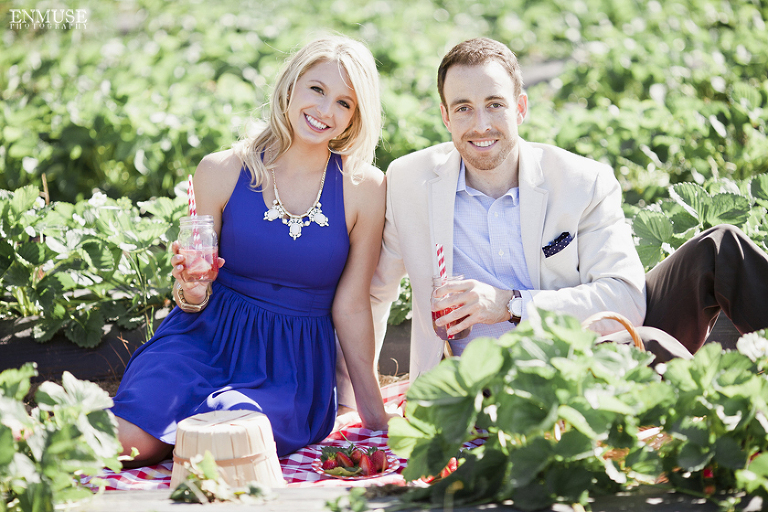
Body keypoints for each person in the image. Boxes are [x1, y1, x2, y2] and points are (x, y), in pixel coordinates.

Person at [335, 37, 768, 401]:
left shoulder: (582, 181)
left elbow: (627, 300)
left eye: (495, 104)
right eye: (463, 108)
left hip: (583, 343)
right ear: (445, 116)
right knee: (649, 346)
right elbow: (374, 294)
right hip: (498, 387)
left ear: (520, 108)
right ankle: (718, 415)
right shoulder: (411, 181)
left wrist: (509, 305)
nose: (481, 124)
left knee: (720, 248)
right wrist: (355, 404)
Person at [112, 35, 391, 468]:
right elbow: (192, 295)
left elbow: (352, 305)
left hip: (288, 365)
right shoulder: (221, 170)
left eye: (344, 103)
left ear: (356, 117)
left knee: (220, 448)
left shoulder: (364, 188)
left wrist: (375, 415)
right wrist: (192, 285)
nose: (324, 110)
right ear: (292, 85)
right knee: (125, 443)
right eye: (316, 89)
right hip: (202, 340)